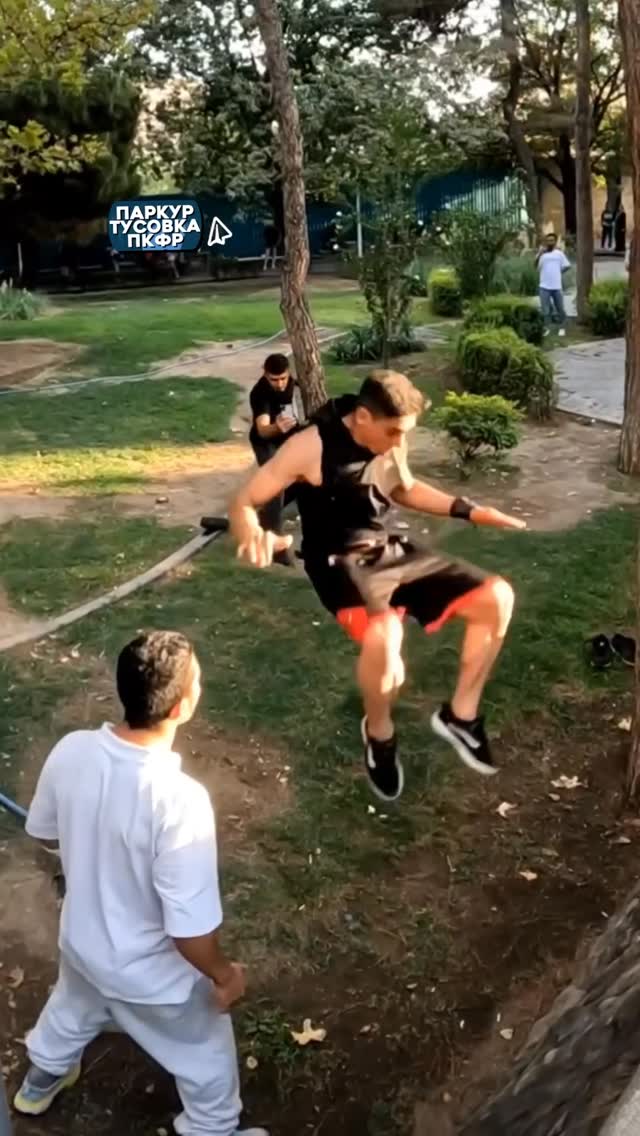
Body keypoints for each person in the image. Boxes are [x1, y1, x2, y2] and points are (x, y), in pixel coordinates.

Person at [14, 630, 267, 1136]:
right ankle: (213, 1128)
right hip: (153, 980)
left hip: (82, 943)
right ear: (181, 707)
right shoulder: (180, 801)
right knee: (206, 1050)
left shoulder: (71, 750)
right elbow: (190, 932)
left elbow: (43, 833)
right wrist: (223, 976)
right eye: (197, 680)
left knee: (73, 1006)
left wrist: (86, 860)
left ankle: (39, 1083)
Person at [229, 371, 525, 803]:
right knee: (385, 643)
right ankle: (380, 735)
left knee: (497, 598)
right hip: (338, 563)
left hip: (386, 550)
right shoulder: (311, 446)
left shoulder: (389, 438)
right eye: (393, 432)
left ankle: (461, 717)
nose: (398, 441)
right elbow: (244, 500)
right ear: (363, 416)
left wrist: (470, 511)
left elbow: (404, 488)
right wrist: (251, 532)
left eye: (404, 433)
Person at [248, 353, 300, 567]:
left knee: (301, 479)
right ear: (265, 374)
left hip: (289, 441)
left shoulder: (294, 383)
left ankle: (265, 516)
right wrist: (277, 427)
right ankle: (276, 546)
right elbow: (262, 429)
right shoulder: (259, 393)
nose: (279, 384)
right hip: (266, 443)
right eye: (274, 380)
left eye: (283, 379)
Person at [536, 234, 571, 338]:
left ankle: (562, 328)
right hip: (544, 286)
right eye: (548, 240)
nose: (549, 242)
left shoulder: (559, 254)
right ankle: (547, 328)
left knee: (560, 309)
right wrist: (539, 254)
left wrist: (559, 272)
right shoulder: (542, 255)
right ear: (546, 242)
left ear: (555, 242)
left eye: (552, 240)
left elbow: (567, 265)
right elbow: (535, 266)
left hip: (556, 286)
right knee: (545, 310)